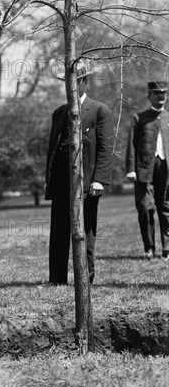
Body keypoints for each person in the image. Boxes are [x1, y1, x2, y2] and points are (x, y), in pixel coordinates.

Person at [43, 62, 113, 286]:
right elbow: (52, 150)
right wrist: (49, 180)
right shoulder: (59, 113)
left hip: (87, 182)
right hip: (62, 182)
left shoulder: (99, 110)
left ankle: (85, 278)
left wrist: (100, 179)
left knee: (86, 230)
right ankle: (56, 279)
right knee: (59, 230)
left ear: (84, 82)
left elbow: (104, 148)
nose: (70, 87)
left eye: (75, 81)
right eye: (67, 83)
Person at [125, 81, 169, 261]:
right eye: (157, 93)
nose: (161, 96)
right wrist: (131, 169)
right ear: (149, 95)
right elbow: (131, 146)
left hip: (166, 170)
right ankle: (149, 248)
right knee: (145, 208)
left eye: (164, 93)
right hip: (144, 169)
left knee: (166, 209)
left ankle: (167, 249)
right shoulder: (139, 118)